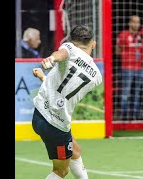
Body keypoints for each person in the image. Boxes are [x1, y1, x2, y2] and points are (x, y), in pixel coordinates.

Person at [32, 25, 102, 178]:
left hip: (39, 115)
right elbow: (67, 88)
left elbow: (60, 55)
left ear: (71, 41)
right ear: (93, 44)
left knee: (75, 151)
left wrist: (50, 61)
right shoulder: (97, 76)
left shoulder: (69, 48)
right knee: (61, 171)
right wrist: (51, 64)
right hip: (56, 125)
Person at [116, 15, 143, 120]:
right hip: (127, 67)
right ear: (130, 23)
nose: (136, 24)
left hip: (139, 68)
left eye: (138, 22)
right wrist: (126, 56)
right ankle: (124, 115)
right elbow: (117, 51)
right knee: (125, 92)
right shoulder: (123, 35)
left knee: (137, 92)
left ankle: (135, 115)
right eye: (134, 22)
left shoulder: (141, 35)